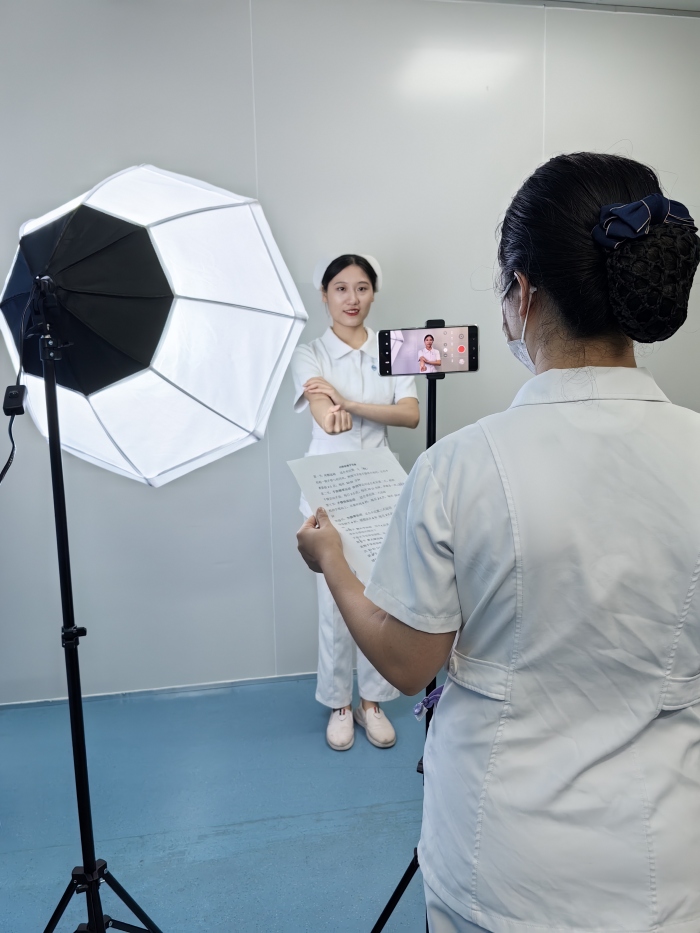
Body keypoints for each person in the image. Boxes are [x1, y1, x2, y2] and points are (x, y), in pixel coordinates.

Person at [296, 153, 700, 932]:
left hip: (501, 863)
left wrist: (332, 560)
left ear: (521, 292)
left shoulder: (459, 467)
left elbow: (410, 664)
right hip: (671, 863)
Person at [291, 253, 419, 752]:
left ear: (373, 293)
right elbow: (324, 415)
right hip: (327, 488)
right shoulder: (309, 353)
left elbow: (409, 414)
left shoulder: (395, 348)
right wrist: (336, 408)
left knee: (382, 597)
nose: (352, 298)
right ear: (324, 295)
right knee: (334, 602)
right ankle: (339, 704)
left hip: (381, 485)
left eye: (362, 287)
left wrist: (349, 402)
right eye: (340, 288)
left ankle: (373, 702)